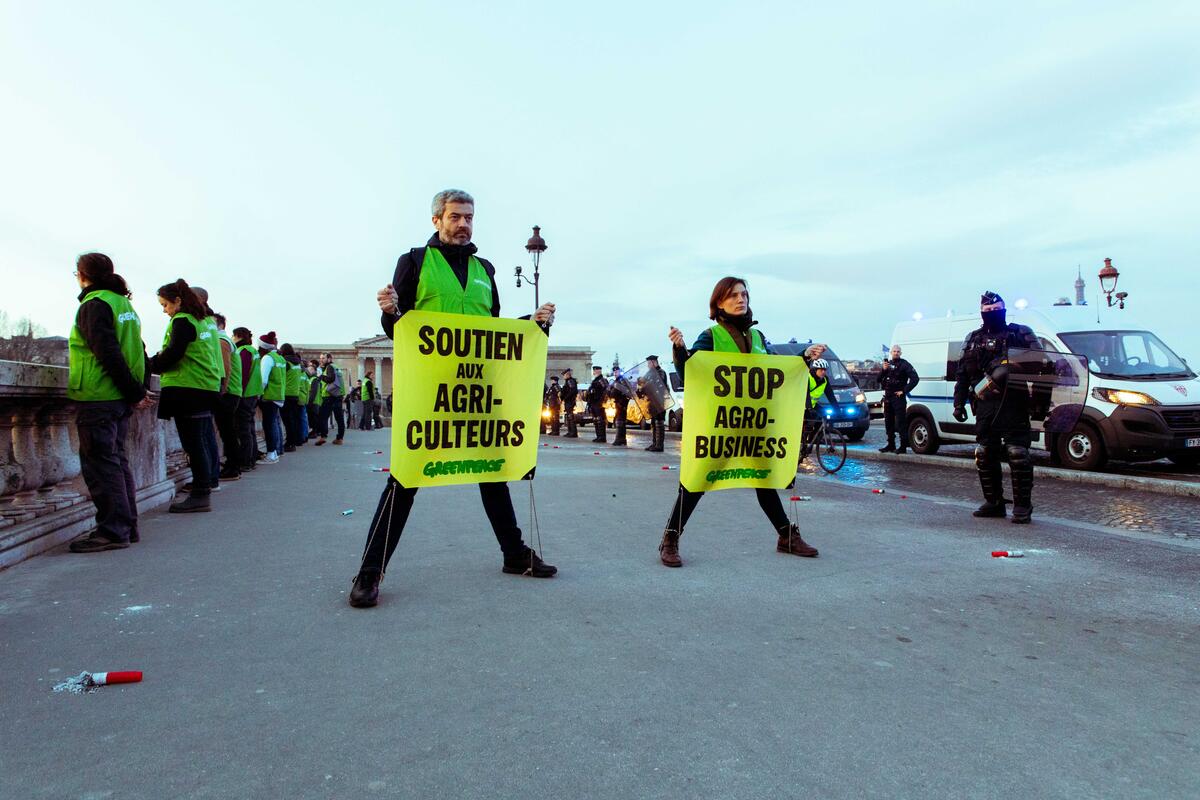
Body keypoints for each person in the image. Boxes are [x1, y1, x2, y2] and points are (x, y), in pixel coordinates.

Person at [349, 188, 558, 608]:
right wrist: (389, 311)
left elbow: (492, 333)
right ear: (437, 221)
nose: (463, 224)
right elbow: (400, 331)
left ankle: (514, 555)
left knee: (493, 470)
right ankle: (369, 573)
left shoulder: (485, 269)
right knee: (406, 479)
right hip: (430, 395)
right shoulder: (413, 263)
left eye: (469, 217)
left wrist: (530, 324)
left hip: (479, 392)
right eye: (455, 217)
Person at [659, 276, 826, 567]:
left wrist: (803, 359)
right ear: (719, 303)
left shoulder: (759, 339)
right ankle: (670, 538)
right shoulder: (711, 336)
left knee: (765, 479)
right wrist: (679, 349)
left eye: (744, 294)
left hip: (755, 425)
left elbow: (777, 372)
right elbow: (691, 372)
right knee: (697, 480)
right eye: (733, 295)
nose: (741, 299)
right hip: (719, 425)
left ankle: (786, 535)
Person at [66, 253, 150, 552]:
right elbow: (138, 350)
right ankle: (127, 526)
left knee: (101, 466)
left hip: (98, 395)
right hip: (117, 397)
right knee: (116, 462)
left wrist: (134, 392)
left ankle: (113, 531)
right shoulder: (123, 304)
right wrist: (137, 389)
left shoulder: (94, 304)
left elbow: (107, 352)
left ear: (82, 274)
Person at [953, 291, 1039, 524]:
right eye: (987, 311)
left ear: (1003, 309)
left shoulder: (1020, 333)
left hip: (1014, 402)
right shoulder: (973, 339)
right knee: (985, 453)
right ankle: (994, 502)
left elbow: (1041, 363)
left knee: (1017, 454)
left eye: (995, 309)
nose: (991, 314)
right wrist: (958, 403)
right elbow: (962, 375)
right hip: (984, 404)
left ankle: (1022, 506)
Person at [149, 279, 222, 512]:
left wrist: (148, 365)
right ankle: (203, 491)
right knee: (199, 442)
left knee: (193, 444)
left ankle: (200, 494)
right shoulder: (203, 322)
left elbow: (173, 354)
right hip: (204, 387)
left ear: (178, 301)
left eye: (165, 305)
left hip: (188, 388)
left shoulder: (182, 320)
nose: (164, 310)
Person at [212, 313, 242, 481]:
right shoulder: (228, 341)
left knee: (228, 431)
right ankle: (233, 465)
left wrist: (221, 389)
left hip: (228, 392)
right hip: (234, 390)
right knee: (229, 430)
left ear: (221, 325)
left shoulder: (221, 341)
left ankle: (233, 467)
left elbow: (225, 368)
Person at [879, 344, 919, 454]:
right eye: (894, 351)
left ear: (900, 353)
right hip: (888, 397)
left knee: (901, 422)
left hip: (898, 397)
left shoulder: (904, 364)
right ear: (891, 353)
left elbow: (915, 379)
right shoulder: (887, 365)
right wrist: (883, 370)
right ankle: (891, 444)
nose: (896, 353)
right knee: (888, 422)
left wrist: (904, 390)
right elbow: (878, 379)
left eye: (898, 351)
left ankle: (903, 446)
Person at [232, 327, 261, 472]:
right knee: (249, 428)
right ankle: (251, 458)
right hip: (253, 393)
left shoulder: (243, 350)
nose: (231, 337)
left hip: (245, 393)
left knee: (243, 429)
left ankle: (245, 461)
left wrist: (238, 392)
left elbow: (242, 374)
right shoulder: (252, 351)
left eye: (233, 335)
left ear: (238, 336)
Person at [257, 331, 285, 463]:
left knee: (268, 425)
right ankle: (274, 452)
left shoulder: (267, 358)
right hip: (278, 394)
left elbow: (263, 380)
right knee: (273, 424)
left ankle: (271, 454)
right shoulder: (280, 358)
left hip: (269, 395)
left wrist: (258, 394)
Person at [800, 358, 831, 457]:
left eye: (825, 370)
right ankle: (803, 443)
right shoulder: (808, 378)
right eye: (821, 370)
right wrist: (809, 408)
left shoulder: (825, 380)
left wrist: (838, 409)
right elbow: (806, 395)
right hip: (802, 404)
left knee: (824, 418)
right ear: (815, 369)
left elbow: (830, 395)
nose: (823, 372)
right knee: (809, 421)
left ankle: (812, 441)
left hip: (812, 405)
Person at [639, 355, 669, 452]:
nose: (648, 365)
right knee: (653, 423)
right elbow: (643, 385)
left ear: (654, 362)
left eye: (649, 363)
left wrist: (645, 385)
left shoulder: (661, 373)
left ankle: (659, 445)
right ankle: (654, 443)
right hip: (651, 402)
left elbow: (657, 384)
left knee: (659, 423)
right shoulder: (649, 374)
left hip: (659, 402)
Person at [315, 352, 346, 445]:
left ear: (329, 359)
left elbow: (330, 379)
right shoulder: (336, 367)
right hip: (338, 395)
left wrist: (320, 376)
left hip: (329, 396)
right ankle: (340, 438)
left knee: (322, 417)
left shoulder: (329, 367)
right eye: (320, 358)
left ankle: (323, 436)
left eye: (323, 358)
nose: (321, 360)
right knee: (339, 418)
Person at [278, 343, 304, 451]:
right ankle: (295, 441)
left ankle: (290, 443)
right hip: (295, 394)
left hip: (286, 394)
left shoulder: (286, 362)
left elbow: (280, 376)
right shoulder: (297, 364)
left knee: (287, 421)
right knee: (293, 420)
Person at [608, 368, 631, 446]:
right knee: (620, 421)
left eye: (617, 371)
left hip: (621, 403)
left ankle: (619, 439)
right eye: (614, 372)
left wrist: (610, 391)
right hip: (619, 403)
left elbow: (616, 392)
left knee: (620, 421)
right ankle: (622, 439)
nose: (615, 373)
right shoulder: (617, 381)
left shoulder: (621, 381)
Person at [587, 365, 609, 443]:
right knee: (596, 420)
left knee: (600, 420)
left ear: (599, 371)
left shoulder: (602, 380)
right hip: (593, 403)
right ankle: (598, 436)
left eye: (595, 370)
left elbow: (607, 390)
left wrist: (602, 401)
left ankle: (602, 437)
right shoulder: (595, 380)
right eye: (593, 370)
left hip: (598, 403)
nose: (593, 372)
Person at [560, 368, 579, 437]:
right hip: (568, 401)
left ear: (568, 375)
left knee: (570, 417)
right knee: (569, 417)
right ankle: (570, 431)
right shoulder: (567, 381)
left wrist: (566, 397)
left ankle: (573, 432)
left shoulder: (570, 381)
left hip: (570, 401)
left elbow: (573, 391)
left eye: (564, 375)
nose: (564, 376)